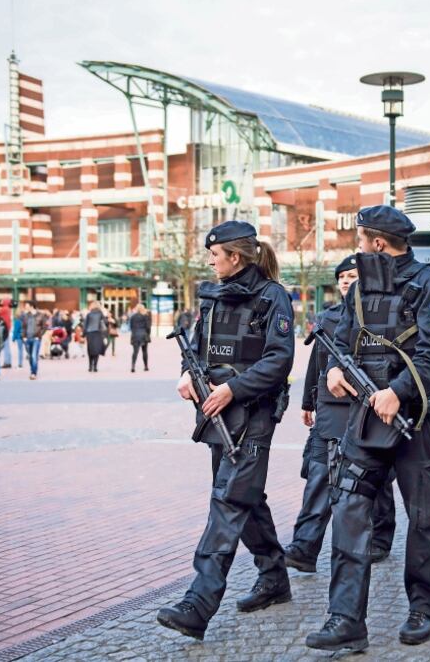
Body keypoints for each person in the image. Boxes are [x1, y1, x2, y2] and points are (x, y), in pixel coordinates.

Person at [304, 206, 430, 652]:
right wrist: (334, 368)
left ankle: (424, 608)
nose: (356, 246)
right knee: (350, 510)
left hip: (416, 419)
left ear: (377, 242)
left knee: (425, 516)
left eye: (360, 239)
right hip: (366, 417)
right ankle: (345, 619)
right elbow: (344, 336)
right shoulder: (360, 287)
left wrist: (400, 390)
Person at [157, 220, 294, 642]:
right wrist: (187, 375)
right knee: (246, 498)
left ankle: (198, 604)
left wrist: (233, 388)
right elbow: (198, 347)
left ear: (235, 257)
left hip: (252, 415)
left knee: (229, 501)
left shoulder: (274, 298)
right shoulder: (213, 299)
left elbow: (279, 360)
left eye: (216, 255)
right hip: (218, 416)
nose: (211, 262)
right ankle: (274, 578)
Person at [285, 256, 396, 575]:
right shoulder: (328, 317)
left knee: (374, 476)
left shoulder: (378, 314)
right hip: (330, 406)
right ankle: (305, 547)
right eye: (342, 277)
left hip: (368, 405)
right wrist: (308, 401)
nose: (346, 281)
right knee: (319, 473)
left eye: (352, 275)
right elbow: (317, 361)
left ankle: (380, 537)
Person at [20, 301, 47, 380]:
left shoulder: (40, 315)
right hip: (27, 338)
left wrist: (39, 335)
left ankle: (33, 373)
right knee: (30, 356)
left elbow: (44, 327)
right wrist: (23, 336)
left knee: (34, 355)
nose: (26, 307)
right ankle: (32, 369)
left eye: (27, 305)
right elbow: (23, 327)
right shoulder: (25, 316)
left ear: (31, 306)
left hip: (36, 339)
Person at [83, 301, 107, 373]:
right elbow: (105, 323)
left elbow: (85, 325)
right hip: (98, 333)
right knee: (96, 350)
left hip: (89, 333)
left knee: (90, 350)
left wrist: (84, 334)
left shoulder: (89, 314)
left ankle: (90, 366)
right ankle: (95, 367)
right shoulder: (100, 314)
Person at [129, 303, 152, 372]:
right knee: (144, 351)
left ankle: (133, 366)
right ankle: (146, 366)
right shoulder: (145, 316)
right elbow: (148, 327)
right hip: (144, 335)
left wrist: (134, 333)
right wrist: (148, 334)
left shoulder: (133, 317)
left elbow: (131, 327)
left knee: (135, 352)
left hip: (135, 335)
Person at [0, 299, 13, 368]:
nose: (1, 302)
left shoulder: (3, 309)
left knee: (4, 346)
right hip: (7, 329)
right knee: (7, 346)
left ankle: (6, 362)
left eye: (2, 301)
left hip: (3, 329)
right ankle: (8, 361)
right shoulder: (8, 309)